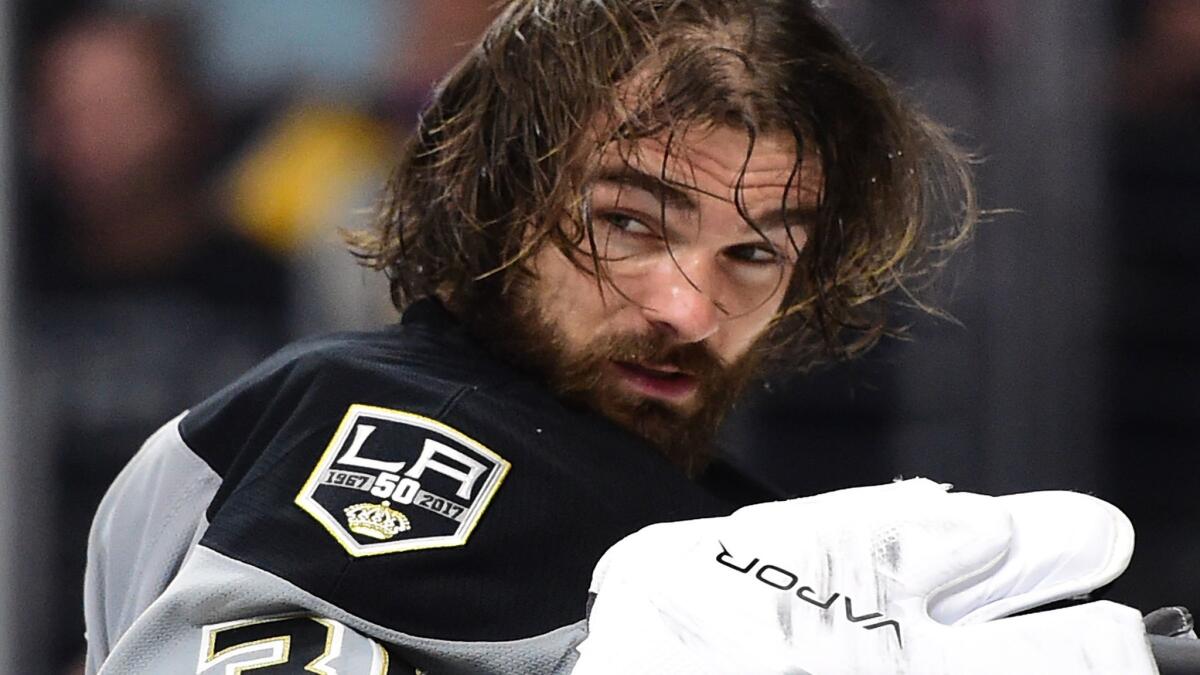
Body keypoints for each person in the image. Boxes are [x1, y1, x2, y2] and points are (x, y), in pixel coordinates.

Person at [81, 1, 1184, 673]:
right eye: (628, 226)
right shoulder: (373, 418)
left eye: (754, 254)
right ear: (498, 198)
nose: (688, 310)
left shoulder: (752, 540)